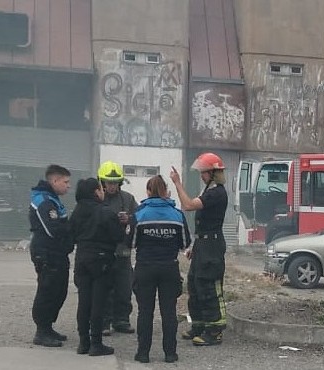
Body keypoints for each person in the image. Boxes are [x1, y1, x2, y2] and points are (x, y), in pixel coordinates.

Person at [130, 175, 191, 363]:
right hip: (169, 268)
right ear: (165, 191)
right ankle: (170, 353)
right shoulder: (177, 215)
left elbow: (131, 243)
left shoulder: (139, 213)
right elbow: (185, 243)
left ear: (148, 192)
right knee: (169, 312)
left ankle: (143, 353)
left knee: (145, 311)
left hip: (145, 267)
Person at [170, 152, 228, 346]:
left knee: (210, 287)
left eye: (204, 172)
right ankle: (199, 325)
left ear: (213, 173)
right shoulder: (208, 191)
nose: (201, 175)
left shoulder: (217, 193)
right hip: (203, 244)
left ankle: (215, 330)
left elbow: (187, 205)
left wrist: (177, 183)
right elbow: (204, 225)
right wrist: (195, 245)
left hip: (212, 246)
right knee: (195, 284)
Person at [70, 178, 125, 356]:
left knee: (83, 301)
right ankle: (96, 343)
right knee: (98, 302)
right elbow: (118, 237)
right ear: (96, 191)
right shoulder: (105, 212)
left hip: (82, 258)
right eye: (101, 189)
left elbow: (70, 235)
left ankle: (83, 342)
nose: (103, 192)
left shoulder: (77, 211)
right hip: (101, 260)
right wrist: (122, 225)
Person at [29, 164, 73, 347]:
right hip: (46, 253)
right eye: (66, 182)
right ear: (54, 180)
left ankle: (48, 327)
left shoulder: (53, 199)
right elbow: (53, 230)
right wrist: (70, 230)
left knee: (59, 291)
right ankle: (41, 330)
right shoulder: (44, 201)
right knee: (47, 290)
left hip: (57, 253)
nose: (68, 186)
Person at [97, 160, 138, 335]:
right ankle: (103, 321)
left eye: (114, 182)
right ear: (102, 182)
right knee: (104, 287)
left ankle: (121, 319)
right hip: (103, 249)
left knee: (124, 285)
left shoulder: (128, 199)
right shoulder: (96, 199)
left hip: (123, 249)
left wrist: (129, 219)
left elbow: (138, 218)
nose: (112, 186)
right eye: (108, 182)